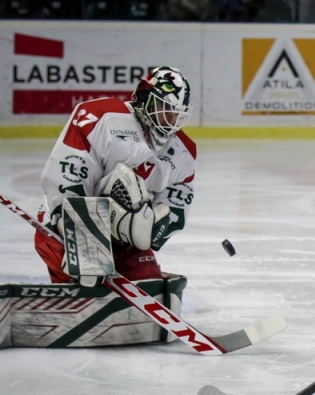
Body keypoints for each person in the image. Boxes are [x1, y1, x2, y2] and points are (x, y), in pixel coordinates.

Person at [35, 65, 196, 286]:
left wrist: (151, 228)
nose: (169, 120)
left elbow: (176, 207)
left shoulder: (183, 152)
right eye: (164, 108)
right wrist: (85, 241)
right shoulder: (103, 119)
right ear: (145, 99)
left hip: (125, 242)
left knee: (149, 285)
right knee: (85, 289)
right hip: (65, 228)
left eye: (175, 114)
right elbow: (66, 179)